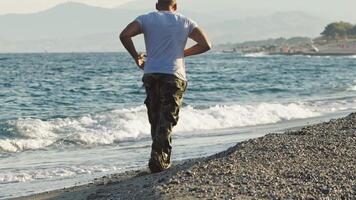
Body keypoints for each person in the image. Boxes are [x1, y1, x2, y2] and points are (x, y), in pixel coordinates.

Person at [120, 0, 211, 173]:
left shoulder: (146, 19)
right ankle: (158, 160)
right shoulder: (184, 21)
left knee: (155, 116)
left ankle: (159, 158)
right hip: (173, 74)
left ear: (156, 5)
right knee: (167, 118)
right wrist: (182, 53)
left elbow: (124, 35)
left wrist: (136, 57)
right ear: (175, 6)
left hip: (151, 72)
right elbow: (206, 44)